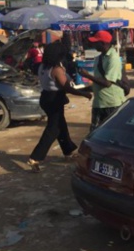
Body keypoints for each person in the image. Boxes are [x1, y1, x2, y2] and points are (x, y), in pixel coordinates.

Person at [28, 42, 92, 172]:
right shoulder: (56, 70)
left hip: (45, 97)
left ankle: (68, 150)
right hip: (54, 99)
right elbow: (67, 87)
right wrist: (84, 93)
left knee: (60, 125)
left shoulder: (42, 66)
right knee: (53, 129)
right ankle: (35, 157)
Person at [78, 30, 126, 131]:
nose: (93, 44)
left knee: (112, 133)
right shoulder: (99, 58)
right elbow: (98, 80)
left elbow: (107, 83)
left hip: (111, 103)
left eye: (96, 42)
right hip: (99, 102)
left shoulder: (113, 58)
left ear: (103, 43)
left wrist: (88, 76)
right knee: (95, 133)